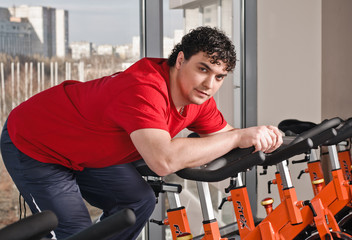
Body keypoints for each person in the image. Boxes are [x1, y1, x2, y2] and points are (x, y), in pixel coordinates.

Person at [0, 26, 283, 240]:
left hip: (86, 149)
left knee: (138, 201)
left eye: (219, 77)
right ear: (181, 59)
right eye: (203, 69)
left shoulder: (198, 100)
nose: (210, 84)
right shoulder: (144, 90)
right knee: (76, 232)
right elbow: (164, 161)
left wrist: (261, 136)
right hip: (37, 144)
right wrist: (236, 137)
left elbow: (226, 136)